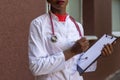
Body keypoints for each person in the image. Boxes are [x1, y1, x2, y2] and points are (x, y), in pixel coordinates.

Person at [28, 0, 114, 80]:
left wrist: (97, 54)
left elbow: (78, 64)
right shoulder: (38, 24)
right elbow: (35, 67)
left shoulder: (77, 26)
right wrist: (71, 52)